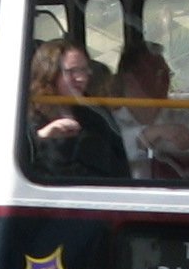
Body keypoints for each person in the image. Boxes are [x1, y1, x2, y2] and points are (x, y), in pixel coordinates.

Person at [111, 43, 189, 176]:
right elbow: (113, 152)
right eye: (159, 73)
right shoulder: (112, 122)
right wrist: (148, 135)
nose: (167, 81)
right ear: (130, 79)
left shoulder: (179, 119)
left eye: (168, 74)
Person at [27, 38, 129, 180]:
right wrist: (43, 137)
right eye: (72, 71)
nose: (81, 78)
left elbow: (119, 164)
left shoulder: (96, 114)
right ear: (50, 73)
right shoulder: (28, 115)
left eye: (84, 70)